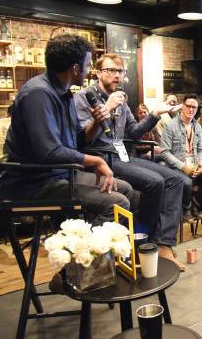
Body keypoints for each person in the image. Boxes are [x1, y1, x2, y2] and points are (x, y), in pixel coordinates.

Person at [3, 34, 132, 224]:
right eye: (87, 65)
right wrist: (96, 161)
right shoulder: (38, 94)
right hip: (34, 182)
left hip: (62, 173)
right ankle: (87, 252)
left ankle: (99, 246)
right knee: (115, 202)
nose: (88, 71)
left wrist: (96, 122)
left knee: (125, 188)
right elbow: (49, 152)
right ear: (75, 68)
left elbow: (77, 142)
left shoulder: (65, 94)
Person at [74, 53, 185, 270]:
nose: (116, 75)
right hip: (99, 157)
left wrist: (154, 114)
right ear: (98, 73)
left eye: (120, 71)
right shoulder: (84, 97)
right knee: (155, 182)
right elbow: (81, 139)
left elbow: (133, 132)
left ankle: (161, 243)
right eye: (111, 70)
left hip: (122, 155)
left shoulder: (121, 98)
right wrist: (106, 108)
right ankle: (141, 240)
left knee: (176, 179)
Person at [160, 94, 202, 221]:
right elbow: (164, 152)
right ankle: (187, 207)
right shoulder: (170, 126)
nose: (191, 110)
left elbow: (200, 149)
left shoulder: (197, 126)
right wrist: (183, 167)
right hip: (177, 165)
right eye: (188, 106)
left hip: (194, 163)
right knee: (187, 183)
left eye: (194, 107)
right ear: (182, 107)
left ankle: (196, 201)